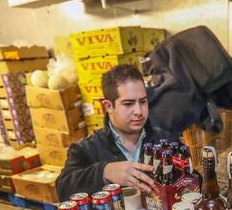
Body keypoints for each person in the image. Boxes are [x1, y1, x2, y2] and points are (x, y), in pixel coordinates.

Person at [56, 64, 175, 200]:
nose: (139, 111)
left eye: (142, 101)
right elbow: (63, 188)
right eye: (128, 104)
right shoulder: (85, 150)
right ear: (108, 106)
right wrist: (104, 172)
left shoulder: (166, 140)